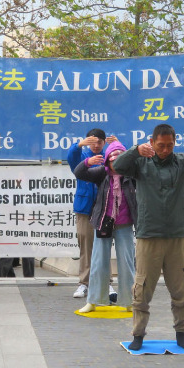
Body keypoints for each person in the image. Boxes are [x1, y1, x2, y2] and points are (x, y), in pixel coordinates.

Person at [111, 124, 184, 351]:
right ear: (152, 142)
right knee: (143, 288)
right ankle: (138, 335)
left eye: (169, 145)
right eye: (161, 145)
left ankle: (181, 333)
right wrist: (136, 150)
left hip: (177, 235)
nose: (165, 149)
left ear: (175, 143)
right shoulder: (141, 162)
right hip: (149, 235)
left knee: (181, 289)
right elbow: (117, 166)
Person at [73, 139, 136, 313]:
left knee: (127, 263)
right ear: (107, 160)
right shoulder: (102, 173)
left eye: (120, 160)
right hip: (103, 222)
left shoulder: (132, 176)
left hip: (124, 224)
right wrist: (87, 162)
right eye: (112, 160)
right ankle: (93, 301)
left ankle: (129, 301)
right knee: (98, 262)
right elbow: (79, 173)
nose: (116, 164)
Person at [66, 128, 110, 299]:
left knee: (104, 246)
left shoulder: (108, 156)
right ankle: (84, 283)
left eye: (100, 142)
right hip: (84, 207)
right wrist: (78, 146)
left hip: (105, 207)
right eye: (92, 142)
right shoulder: (82, 156)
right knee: (85, 246)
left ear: (104, 142)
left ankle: (106, 283)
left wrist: (118, 146)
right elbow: (71, 159)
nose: (97, 145)